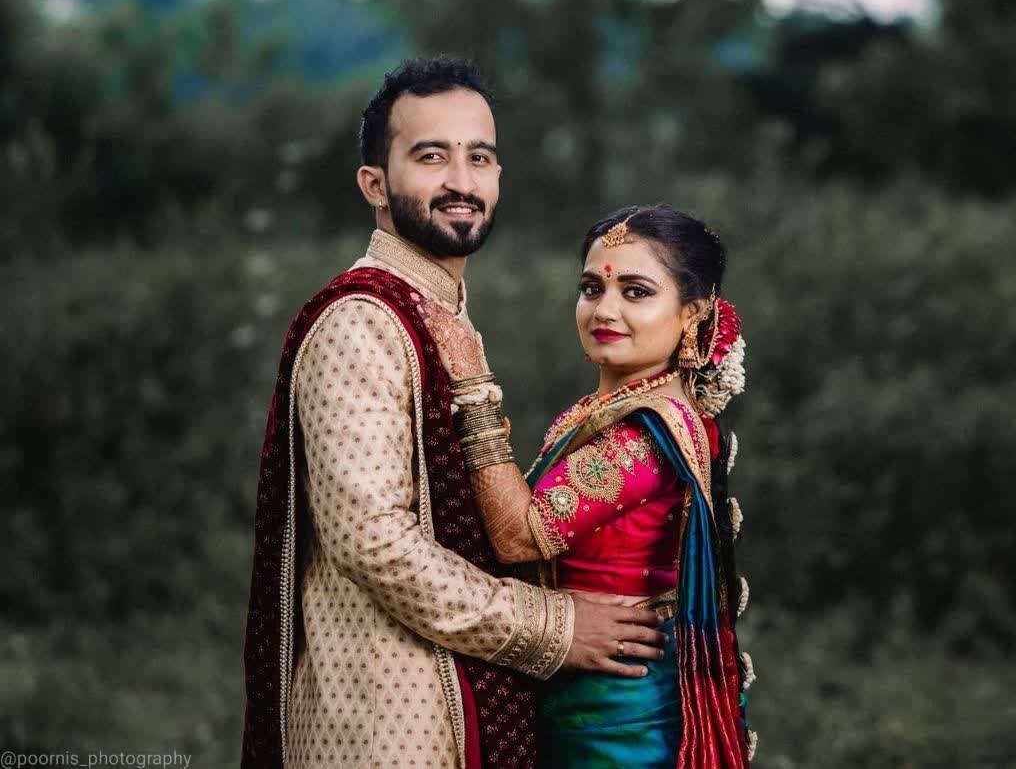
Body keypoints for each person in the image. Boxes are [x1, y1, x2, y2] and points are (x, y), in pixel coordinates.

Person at [241, 58, 663, 769]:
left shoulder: (437, 314)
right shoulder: (360, 322)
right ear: (375, 184)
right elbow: (374, 541)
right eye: (431, 156)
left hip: (455, 714)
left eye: (481, 157)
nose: (462, 182)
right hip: (384, 734)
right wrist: (553, 628)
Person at [431, 203, 756, 768]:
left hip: (611, 713)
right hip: (582, 680)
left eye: (636, 292)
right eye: (591, 288)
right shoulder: (616, 409)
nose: (604, 309)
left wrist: (473, 390)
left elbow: (519, 536)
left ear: (694, 313)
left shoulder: (644, 435)